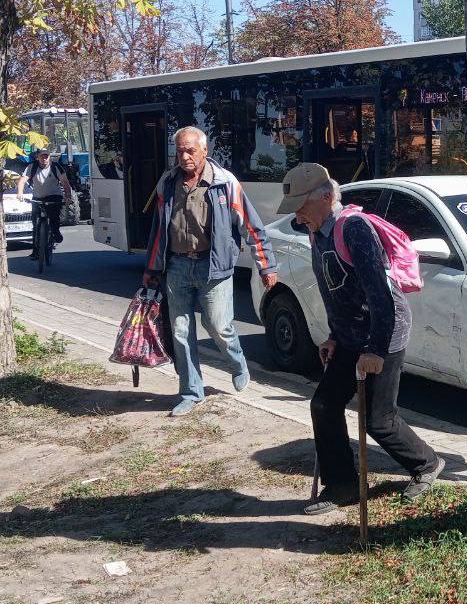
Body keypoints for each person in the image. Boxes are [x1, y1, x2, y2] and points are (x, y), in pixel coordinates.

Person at [278, 163, 444, 511]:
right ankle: (342, 487)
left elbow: (380, 294)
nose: (296, 214)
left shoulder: (353, 229)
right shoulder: (317, 231)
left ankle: (427, 464)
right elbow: (337, 292)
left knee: (377, 420)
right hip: (350, 337)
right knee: (324, 405)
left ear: (324, 197)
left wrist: (376, 350)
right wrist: (334, 337)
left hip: (383, 333)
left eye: (301, 205)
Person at [143, 126, 277, 417]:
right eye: (180, 151)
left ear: (205, 151)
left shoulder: (224, 182)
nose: (185, 156)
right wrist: (153, 267)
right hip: (177, 265)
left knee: (218, 326)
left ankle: (237, 363)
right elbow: (158, 230)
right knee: (180, 330)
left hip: (213, 266)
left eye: (190, 150)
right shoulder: (168, 182)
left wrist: (266, 264)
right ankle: (191, 392)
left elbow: (252, 226)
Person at [17, 147, 72, 258]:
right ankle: (36, 252)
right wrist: (20, 193)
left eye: (46, 156)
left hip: (54, 196)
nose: (44, 158)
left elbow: (65, 183)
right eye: (42, 156)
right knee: (35, 225)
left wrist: (68, 196)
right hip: (37, 198)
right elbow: (22, 181)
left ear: (49, 157)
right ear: (38, 157)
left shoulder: (56, 167)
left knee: (54, 217)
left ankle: (55, 232)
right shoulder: (32, 167)